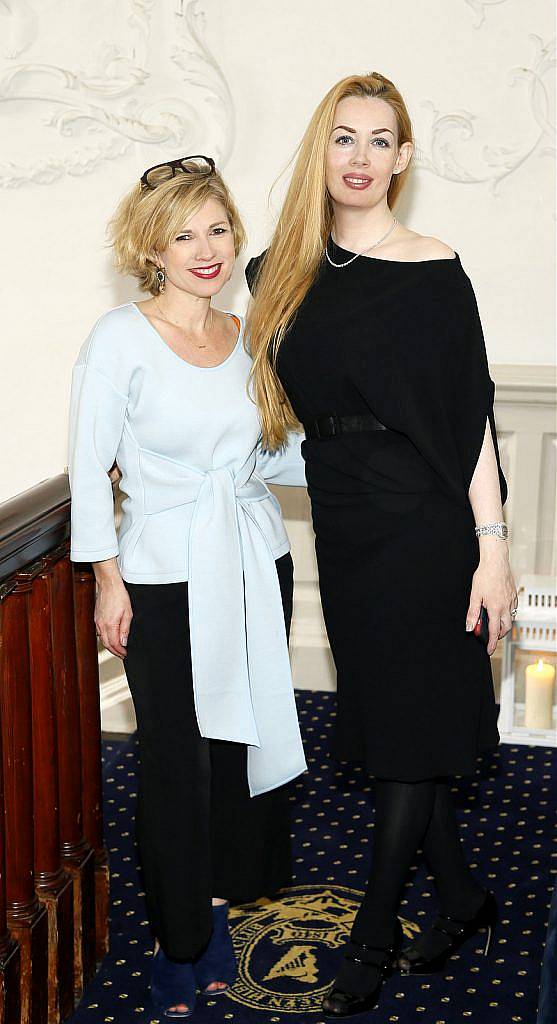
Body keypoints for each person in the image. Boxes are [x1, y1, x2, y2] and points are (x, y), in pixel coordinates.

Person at [246, 73, 518, 1018]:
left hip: (425, 521)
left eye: (380, 140)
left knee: (403, 744)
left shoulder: (434, 266)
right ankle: (465, 897)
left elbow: (470, 419)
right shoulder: (278, 270)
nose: (359, 157)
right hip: (346, 521)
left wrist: (493, 546)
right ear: (321, 153)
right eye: (343, 138)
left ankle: (370, 934)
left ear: (403, 158)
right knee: (398, 720)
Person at [68, 156, 306, 1019]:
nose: (205, 249)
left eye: (217, 228)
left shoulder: (248, 334)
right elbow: (90, 472)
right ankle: (177, 942)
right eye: (183, 234)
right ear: (150, 249)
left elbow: (281, 455)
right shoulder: (119, 339)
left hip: (251, 559)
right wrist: (106, 581)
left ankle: (216, 906)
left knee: (234, 746)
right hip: (162, 574)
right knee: (175, 756)